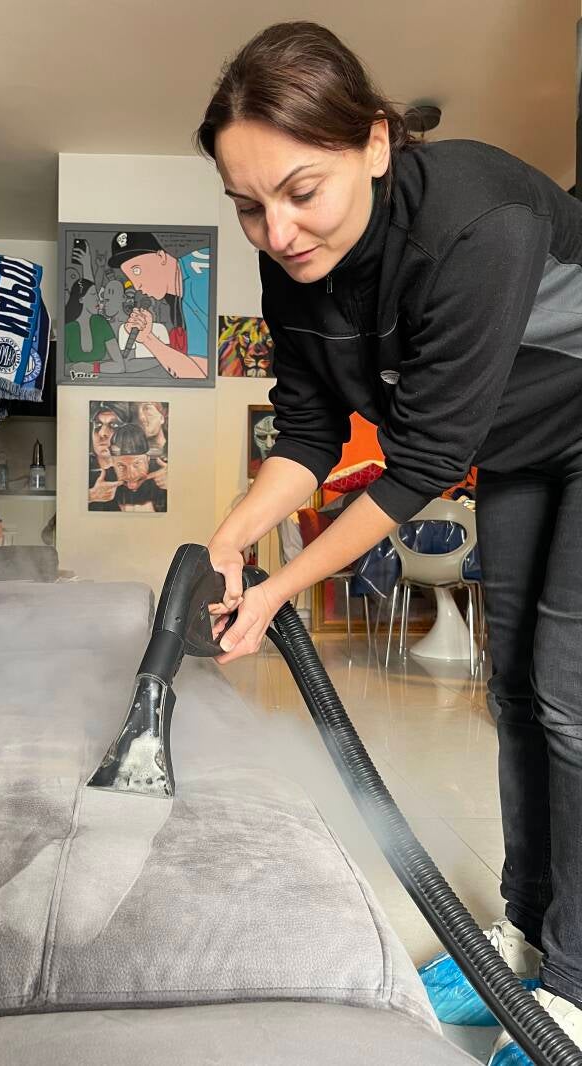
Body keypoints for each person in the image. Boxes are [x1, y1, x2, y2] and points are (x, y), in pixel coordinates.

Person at [197, 21, 582, 1064]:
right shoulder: (296, 268)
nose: (278, 232)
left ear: (373, 141)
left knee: (568, 700)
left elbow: (419, 459)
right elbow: (308, 431)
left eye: (300, 191)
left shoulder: (476, 221)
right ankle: (522, 936)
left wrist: (280, 585)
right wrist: (229, 539)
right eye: (248, 206)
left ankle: (577, 989)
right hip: (522, 447)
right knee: (512, 688)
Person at [108, 230, 210, 379]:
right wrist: (147, 337)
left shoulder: (198, 286)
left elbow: (199, 375)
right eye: (130, 277)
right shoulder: (183, 288)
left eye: (137, 270)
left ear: (161, 257)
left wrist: (147, 339)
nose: (137, 286)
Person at [64, 278, 125, 376]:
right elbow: (61, 369)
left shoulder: (101, 322)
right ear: (81, 299)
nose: (98, 299)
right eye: (93, 294)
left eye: (97, 294)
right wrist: (73, 368)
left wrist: (93, 368)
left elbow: (120, 366)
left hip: (102, 381)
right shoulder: (68, 328)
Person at [109, 423, 167, 512]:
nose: (130, 475)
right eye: (121, 466)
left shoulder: (163, 473)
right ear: (112, 463)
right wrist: (92, 496)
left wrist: (175, 484)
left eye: (136, 464)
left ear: (148, 459)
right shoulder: (103, 480)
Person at [88, 400, 130, 511]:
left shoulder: (138, 468)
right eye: (98, 425)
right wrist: (91, 496)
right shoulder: (79, 467)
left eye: (113, 425)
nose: (102, 433)